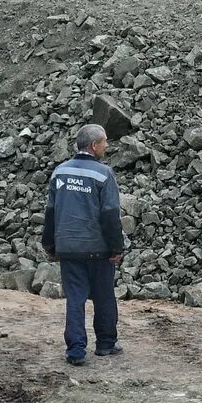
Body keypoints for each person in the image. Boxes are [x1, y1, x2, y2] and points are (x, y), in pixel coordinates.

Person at [42, 123, 123, 367]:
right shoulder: (103, 174)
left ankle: (76, 350)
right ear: (95, 145)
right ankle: (106, 344)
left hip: (69, 248)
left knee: (75, 299)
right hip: (98, 248)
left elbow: (51, 212)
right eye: (105, 142)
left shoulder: (60, 172)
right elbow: (110, 215)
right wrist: (117, 248)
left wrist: (50, 244)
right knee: (104, 296)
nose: (107, 146)